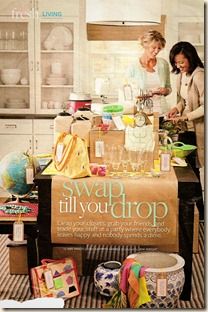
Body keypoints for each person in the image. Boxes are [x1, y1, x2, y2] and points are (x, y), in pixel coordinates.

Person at [167, 41, 204, 220]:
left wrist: (186, 117)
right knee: (187, 169)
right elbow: (184, 100)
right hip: (185, 128)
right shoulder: (182, 76)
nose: (179, 66)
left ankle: (198, 213)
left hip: (196, 129)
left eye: (182, 62)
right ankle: (198, 211)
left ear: (191, 58)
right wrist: (177, 108)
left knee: (191, 171)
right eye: (176, 62)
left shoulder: (199, 76)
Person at [127, 30, 171, 118]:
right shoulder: (133, 66)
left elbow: (169, 88)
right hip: (142, 114)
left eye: (159, 48)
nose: (156, 51)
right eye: (153, 47)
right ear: (145, 45)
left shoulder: (163, 64)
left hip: (162, 112)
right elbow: (130, 94)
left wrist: (165, 91)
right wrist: (150, 92)